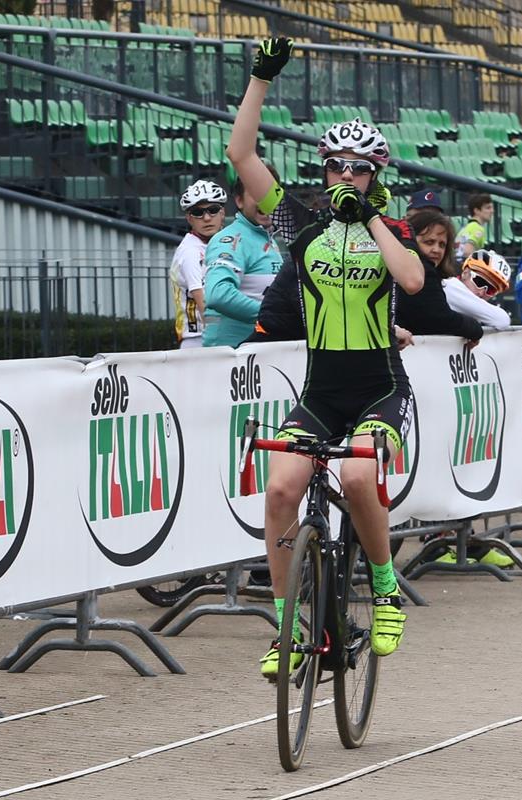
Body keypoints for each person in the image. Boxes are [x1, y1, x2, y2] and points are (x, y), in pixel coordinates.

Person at [227, 38, 423, 677]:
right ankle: (286, 628)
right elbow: (242, 155)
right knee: (282, 487)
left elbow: (414, 281)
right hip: (320, 392)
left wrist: (367, 218)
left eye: (359, 170)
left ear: (376, 175)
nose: (346, 179)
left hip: (378, 387)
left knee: (359, 477)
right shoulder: (300, 228)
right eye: (337, 168)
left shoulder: (389, 231)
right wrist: (261, 78)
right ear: (324, 172)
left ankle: (387, 585)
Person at [201, 168, 284, 347]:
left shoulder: (266, 237)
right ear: (239, 200)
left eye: (271, 193)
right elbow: (218, 294)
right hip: (231, 358)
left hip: (257, 354)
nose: (266, 200)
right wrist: (272, 317)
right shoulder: (232, 240)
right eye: (256, 193)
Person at [397, 208, 483, 341]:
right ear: (411, 241)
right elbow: (440, 319)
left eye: (442, 245)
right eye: (429, 242)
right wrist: (475, 328)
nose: (436, 250)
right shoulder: (425, 272)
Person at [172, 180, 227, 348]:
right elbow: (202, 301)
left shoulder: (219, 245)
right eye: (198, 213)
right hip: (200, 340)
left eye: (213, 210)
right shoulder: (190, 252)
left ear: (222, 213)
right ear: (189, 218)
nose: (207, 218)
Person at [444, 248, 511, 328]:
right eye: (479, 281)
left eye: (491, 290)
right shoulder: (450, 285)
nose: (481, 292)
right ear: (465, 273)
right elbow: (502, 320)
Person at [454, 193, 494, 262]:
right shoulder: (478, 229)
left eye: (492, 208)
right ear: (476, 211)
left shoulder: (466, 228)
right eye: (488, 208)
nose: (492, 211)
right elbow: (467, 252)